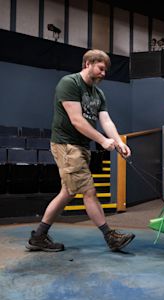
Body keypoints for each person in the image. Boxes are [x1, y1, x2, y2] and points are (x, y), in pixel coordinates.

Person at [26, 49, 135, 252]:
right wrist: (103, 140)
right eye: (101, 69)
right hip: (66, 145)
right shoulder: (70, 83)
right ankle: (110, 236)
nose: (104, 74)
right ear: (88, 64)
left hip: (81, 147)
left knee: (67, 192)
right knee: (88, 191)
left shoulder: (98, 93)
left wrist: (119, 142)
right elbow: (77, 120)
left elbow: (106, 120)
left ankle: (39, 236)